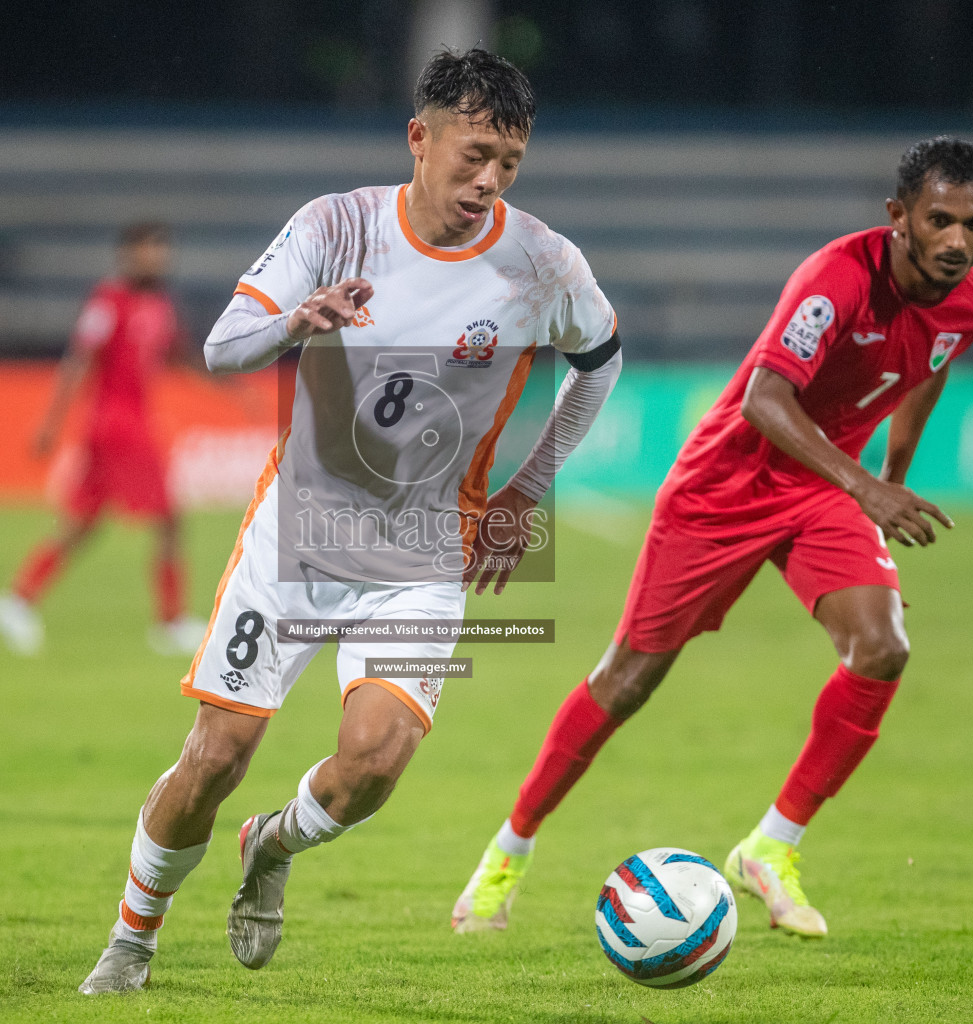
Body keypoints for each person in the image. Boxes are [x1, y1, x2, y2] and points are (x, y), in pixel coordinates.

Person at [78, 47, 623, 992]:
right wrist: (299, 319)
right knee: (215, 758)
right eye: (475, 153)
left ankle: (272, 846)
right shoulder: (333, 227)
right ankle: (132, 940)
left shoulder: (542, 264)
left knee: (373, 766)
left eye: (510, 163)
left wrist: (527, 494)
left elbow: (601, 360)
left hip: (425, 555)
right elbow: (221, 347)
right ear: (420, 138)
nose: (489, 180)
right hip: (299, 537)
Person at [452, 136, 973, 941]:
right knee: (627, 681)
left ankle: (771, 847)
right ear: (900, 218)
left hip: (822, 488)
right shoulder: (837, 279)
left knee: (882, 647)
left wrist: (891, 476)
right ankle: (509, 851)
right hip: (722, 489)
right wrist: (867, 487)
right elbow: (765, 404)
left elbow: (930, 364)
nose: (958, 241)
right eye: (941, 220)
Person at [0, 222, 207, 656]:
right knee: (168, 520)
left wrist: (234, 389)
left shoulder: (161, 303)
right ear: (128, 254)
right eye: (149, 250)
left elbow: (180, 355)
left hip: (131, 423)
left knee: (84, 521)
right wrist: (51, 423)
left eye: (163, 250)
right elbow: (79, 360)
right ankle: (171, 621)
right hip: (117, 424)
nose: (158, 258)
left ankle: (17, 599)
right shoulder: (109, 301)